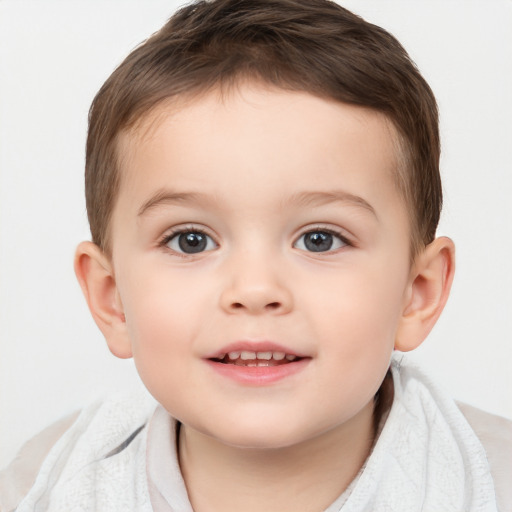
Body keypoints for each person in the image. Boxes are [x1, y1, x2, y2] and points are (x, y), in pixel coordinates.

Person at [1, 0, 510, 510]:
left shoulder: (490, 486)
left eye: (320, 239)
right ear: (111, 300)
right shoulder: (45, 486)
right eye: (190, 239)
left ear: (416, 293)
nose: (255, 289)